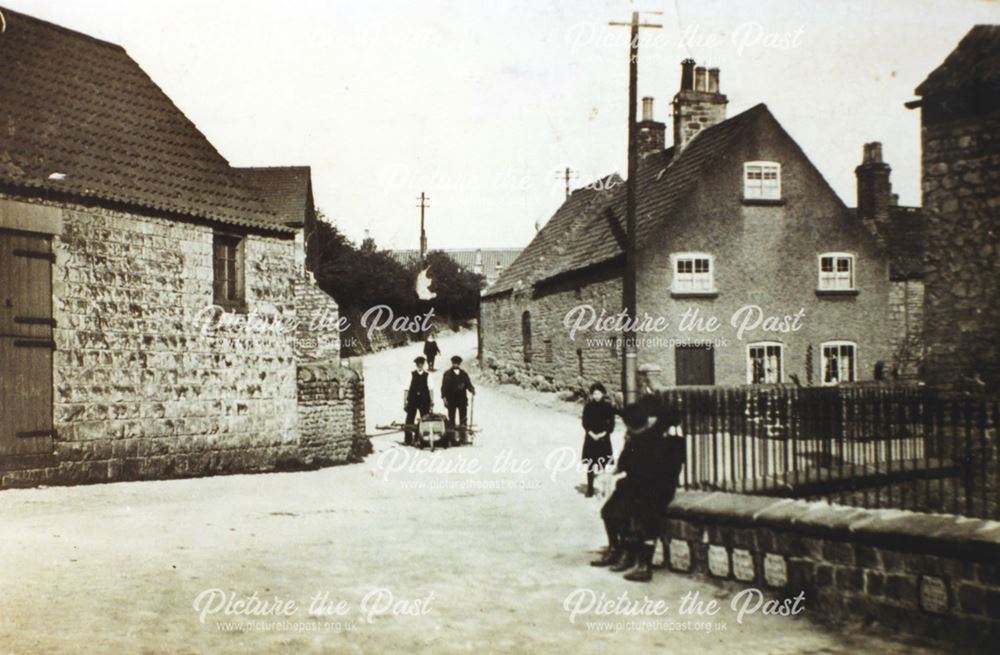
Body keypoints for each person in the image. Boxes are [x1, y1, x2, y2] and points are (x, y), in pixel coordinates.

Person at [590, 401, 685, 583]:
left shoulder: (666, 438)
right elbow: (623, 465)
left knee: (647, 515)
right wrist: (606, 477)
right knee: (610, 511)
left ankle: (644, 564)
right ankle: (617, 550)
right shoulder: (637, 437)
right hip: (636, 483)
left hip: (659, 486)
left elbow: (671, 470)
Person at [581, 383, 615, 497]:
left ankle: (605, 489)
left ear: (603, 394)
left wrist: (603, 434)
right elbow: (585, 422)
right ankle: (590, 488)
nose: (596, 396)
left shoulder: (608, 407)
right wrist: (591, 433)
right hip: (590, 439)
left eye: (598, 393)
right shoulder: (588, 406)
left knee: (605, 465)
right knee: (590, 464)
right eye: (594, 393)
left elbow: (612, 424)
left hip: (603, 440)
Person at [440, 355, 475, 442]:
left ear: (459, 364)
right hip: (451, 400)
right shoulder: (447, 374)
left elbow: (468, 384)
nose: (456, 365)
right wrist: (444, 398)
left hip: (462, 399)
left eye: (457, 363)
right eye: (454, 363)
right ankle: (452, 439)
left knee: (463, 418)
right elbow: (443, 387)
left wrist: (472, 389)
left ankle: (463, 438)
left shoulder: (464, 374)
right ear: (452, 363)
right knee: (451, 419)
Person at [404, 356, 432, 445]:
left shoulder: (428, 375)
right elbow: (406, 389)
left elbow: (431, 389)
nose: (420, 366)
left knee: (425, 418)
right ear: (416, 365)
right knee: (410, 418)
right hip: (413, 399)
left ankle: (423, 438)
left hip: (424, 400)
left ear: (423, 364)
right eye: (418, 364)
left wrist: (431, 401)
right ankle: (408, 439)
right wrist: (405, 401)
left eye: (421, 364)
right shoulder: (411, 374)